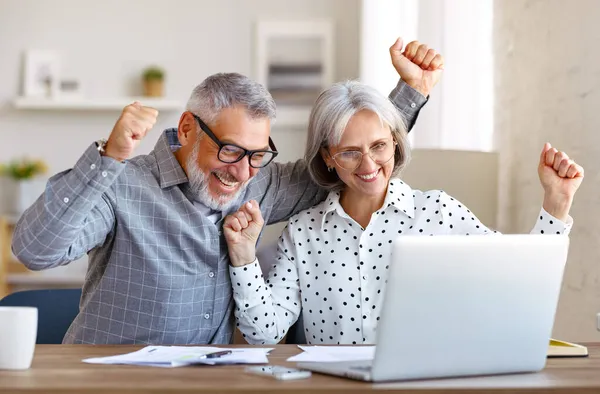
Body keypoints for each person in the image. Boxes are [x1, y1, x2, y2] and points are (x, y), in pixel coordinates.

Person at [11, 39, 442, 345]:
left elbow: (345, 161)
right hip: (110, 382)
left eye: (258, 155)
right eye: (231, 150)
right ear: (187, 130)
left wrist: (412, 92)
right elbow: (35, 252)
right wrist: (109, 158)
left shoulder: (260, 182)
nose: (241, 172)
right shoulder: (121, 185)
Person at [223, 80, 584, 345]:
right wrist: (243, 256)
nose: (369, 165)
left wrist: (556, 203)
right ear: (327, 158)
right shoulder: (303, 232)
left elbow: (519, 279)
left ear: (395, 143)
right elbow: (262, 334)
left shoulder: (438, 212)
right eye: (349, 152)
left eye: (379, 146)